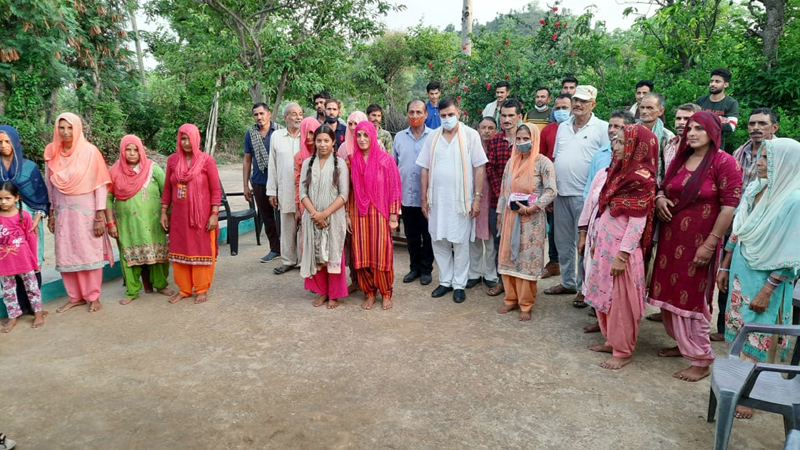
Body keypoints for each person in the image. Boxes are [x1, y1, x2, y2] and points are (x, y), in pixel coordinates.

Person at [649, 111, 742, 382]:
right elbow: (664, 187)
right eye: (689, 128)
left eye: (699, 129)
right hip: (670, 240)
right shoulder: (682, 158)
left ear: (713, 133)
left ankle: (701, 358)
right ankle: (682, 343)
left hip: (699, 242)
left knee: (691, 298)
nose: (691, 133)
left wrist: (711, 244)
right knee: (668, 295)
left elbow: (728, 208)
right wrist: (659, 198)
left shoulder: (725, 163)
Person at [717, 138, 800, 419]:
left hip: (767, 278)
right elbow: (739, 228)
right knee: (739, 329)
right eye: (761, 157)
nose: (760, 163)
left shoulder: (794, 200)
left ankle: (751, 395)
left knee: (759, 334)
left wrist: (768, 289)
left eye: (767, 158)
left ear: (786, 164)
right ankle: (736, 384)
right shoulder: (757, 188)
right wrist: (725, 265)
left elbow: (791, 250)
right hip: (742, 270)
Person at [579, 125, 658, 369]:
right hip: (604, 247)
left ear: (638, 147)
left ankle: (622, 351)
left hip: (622, 253)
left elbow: (637, 222)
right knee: (604, 296)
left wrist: (622, 255)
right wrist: (594, 241)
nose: (615, 146)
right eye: (615, 141)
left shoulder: (642, 180)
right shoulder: (617, 173)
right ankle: (611, 340)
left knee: (621, 302)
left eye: (622, 142)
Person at [710, 107, 780, 342]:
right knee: (728, 274)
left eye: (762, 123)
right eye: (752, 124)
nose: (756, 128)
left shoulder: (781, 154)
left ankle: (759, 335)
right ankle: (724, 329)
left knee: (757, 281)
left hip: (764, 228)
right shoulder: (739, 152)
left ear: (774, 128)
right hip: (735, 222)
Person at [417, 97, 487, 303]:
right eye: (443, 115)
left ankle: (459, 284)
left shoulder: (471, 136)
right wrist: (423, 199)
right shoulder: (433, 137)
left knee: (460, 242)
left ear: (459, 113)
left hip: (461, 201)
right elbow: (424, 168)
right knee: (438, 240)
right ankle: (445, 281)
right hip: (436, 200)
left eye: (451, 115)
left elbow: (479, 167)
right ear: (438, 116)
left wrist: (477, 199)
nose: (447, 119)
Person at [546, 86, 610, 307]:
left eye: (584, 101)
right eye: (576, 100)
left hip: (586, 197)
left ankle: (584, 288)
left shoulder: (601, 128)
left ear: (593, 104)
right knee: (562, 242)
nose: (578, 105)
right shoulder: (563, 127)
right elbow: (556, 158)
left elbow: (606, 161)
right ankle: (567, 281)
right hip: (561, 193)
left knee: (583, 244)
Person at [45, 113, 113, 314]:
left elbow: (100, 185)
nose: (65, 132)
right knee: (67, 253)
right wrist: (51, 213)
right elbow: (50, 185)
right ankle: (75, 297)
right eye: (61, 128)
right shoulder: (52, 152)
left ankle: (93, 297)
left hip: (87, 212)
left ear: (78, 128)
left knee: (88, 252)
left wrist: (99, 216)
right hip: (63, 212)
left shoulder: (90, 152)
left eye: (70, 128)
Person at [496, 125, 556, 321]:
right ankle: (510, 298)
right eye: (518, 139)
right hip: (510, 217)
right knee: (509, 259)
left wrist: (534, 207)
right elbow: (505, 190)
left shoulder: (543, 163)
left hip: (531, 220)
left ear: (535, 139)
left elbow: (551, 191)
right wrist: (499, 214)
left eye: (525, 139)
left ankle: (526, 303)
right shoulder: (511, 163)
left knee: (526, 260)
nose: (521, 143)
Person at [106, 135, 173, 305]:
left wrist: (169, 216)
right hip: (127, 225)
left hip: (153, 222)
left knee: (157, 254)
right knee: (129, 257)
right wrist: (110, 223)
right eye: (128, 149)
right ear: (122, 151)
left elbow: (167, 192)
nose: (132, 153)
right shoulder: (114, 172)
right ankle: (132, 290)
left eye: (136, 149)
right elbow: (106, 199)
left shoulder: (152, 169)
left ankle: (161, 284)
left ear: (141, 150)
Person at [160, 124, 221, 305]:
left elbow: (215, 190)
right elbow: (167, 190)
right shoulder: (172, 161)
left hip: (202, 218)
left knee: (201, 251)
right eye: (182, 138)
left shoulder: (206, 161)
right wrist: (164, 212)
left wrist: (214, 214)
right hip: (179, 216)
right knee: (180, 251)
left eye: (189, 138)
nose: (185, 142)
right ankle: (184, 289)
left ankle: (201, 289)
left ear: (196, 139)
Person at [348, 121, 402, 310]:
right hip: (358, 214)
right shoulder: (351, 160)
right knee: (362, 254)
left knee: (381, 253)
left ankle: (386, 293)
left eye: (366, 135)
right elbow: (348, 191)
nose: (362, 139)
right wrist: (347, 214)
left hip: (380, 215)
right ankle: (369, 293)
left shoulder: (385, 160)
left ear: (373, 136)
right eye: (359, 135)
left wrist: (394, 216)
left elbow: (395, 189)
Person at [299, 125, 349, 309]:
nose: (322, 144)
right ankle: (322, 292)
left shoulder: (340, 163)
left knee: (333, 254)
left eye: (326, 140)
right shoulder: (307, 164)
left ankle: (334, 295)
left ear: (334, 142)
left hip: (333, 218)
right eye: (319, 140)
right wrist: (315, 214)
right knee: (317, 254)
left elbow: (344, 195)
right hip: (312, 218)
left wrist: (324, 214)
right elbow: (302, 193)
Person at [0, 125, 49, 315]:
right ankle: (16, 308)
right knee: (8, 262)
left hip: (29, 220)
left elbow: (40, 196)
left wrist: (38, 216)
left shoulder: (30, 167)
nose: (3, 146)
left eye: (7, 141)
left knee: (31, 261)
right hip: (4, 223)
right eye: (0, 142)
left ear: (15, 142)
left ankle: (34, 308)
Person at [485, 99, 524, 297]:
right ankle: (501, 281)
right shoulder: (495, 140)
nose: (507, 119)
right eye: (504, 115)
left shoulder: (525, 140)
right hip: (497, 202)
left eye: (511, 115)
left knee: (520, 242)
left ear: (519, 117)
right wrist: (501, 195)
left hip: (522, 203)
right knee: (498, 242)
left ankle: (519, 284)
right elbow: (490, 169)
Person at [394, 100, 434, 286]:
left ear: (426, 114)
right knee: (411, 235)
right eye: (411, 112)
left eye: (419, 112)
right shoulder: (399, 137)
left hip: (429, 197)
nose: (415, 116)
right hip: (407, 196)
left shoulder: (434, 136)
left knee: (428, 236)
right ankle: (414, 268)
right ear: (407, 114)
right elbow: (394, 167)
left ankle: (426, 270)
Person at [0, 182, 47, 332]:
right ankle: (13, 316)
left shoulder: (24, 216)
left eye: (7, 198)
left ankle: (38, 313)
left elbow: (31, 239)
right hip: (4, 263)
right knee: (8, 291)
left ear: (16, 198)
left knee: (32, 288)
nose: (3, 202)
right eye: (0, 199)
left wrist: (34, 260)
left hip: (24, 261)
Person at [242, 102, 283, 262]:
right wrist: (245, 185)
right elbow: (247, 160)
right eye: (256, 115)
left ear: (269, 113)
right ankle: (275, 249)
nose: (259, 117)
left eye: (261, 113)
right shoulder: (250, 134)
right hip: (259, 181)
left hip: (280, 181)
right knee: (267, 217)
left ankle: (289, 250)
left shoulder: (280, 131)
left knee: (284, 216)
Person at [267, 103, 303, 275]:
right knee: (287, 225)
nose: (297, 117)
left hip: (304, 191)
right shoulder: (276, 136)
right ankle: (288, 260)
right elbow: (272, 165)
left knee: (304, 227)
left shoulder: (308, 135)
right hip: (285, 188)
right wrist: (271, 191)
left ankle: (304, 261)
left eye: (300, 113)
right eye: (293, 114)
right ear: (285, 117)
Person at [540, 94, 572, 279]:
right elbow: (542, 159)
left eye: (565, 108)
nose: (561, 112)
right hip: (553, 187)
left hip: (575, 187)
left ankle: (575, 272)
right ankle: (554, 262)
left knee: (576, 230)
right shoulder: (548, 131)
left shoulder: (581, 130)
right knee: (553, 228)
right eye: (558, 108)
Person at [468, 117, 500, 291]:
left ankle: (490, 274)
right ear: (478, 129)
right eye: (483, 127)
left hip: (492, 199)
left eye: (491, 128)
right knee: (473, 238)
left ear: (496, 130)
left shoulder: (497, 148)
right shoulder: (471, 148)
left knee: (490, 240)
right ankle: (473, 273)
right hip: (474, 196)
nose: (487, 131)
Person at [583, 109, 635, 200]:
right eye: (610, 126)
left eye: (616, 126)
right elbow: (590, 186)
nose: (611, 130)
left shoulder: (635, 155)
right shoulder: (599, 154)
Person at [696, 68, 739, 148]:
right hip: (697, 146)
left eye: (717, 81)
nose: (712, 84)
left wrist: (703, 121)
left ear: (726, 84)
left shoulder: (731, 103)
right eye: (711, 81)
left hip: (716, 148)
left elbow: (731, 127)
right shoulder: (700, 100)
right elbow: (692, 122)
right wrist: (718, 120)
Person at [637, 93, 674, 180]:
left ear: (660, 111)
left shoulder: (667, 137)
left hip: (656, 186)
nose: (644, 111)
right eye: (642, 107)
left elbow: (669, 168)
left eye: (649, 108)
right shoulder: (631, 132)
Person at [662, 103, 702, 180]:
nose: (681, 122)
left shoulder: (700, 148)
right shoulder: (669, 146)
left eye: (686, 119)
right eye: (678, 118)